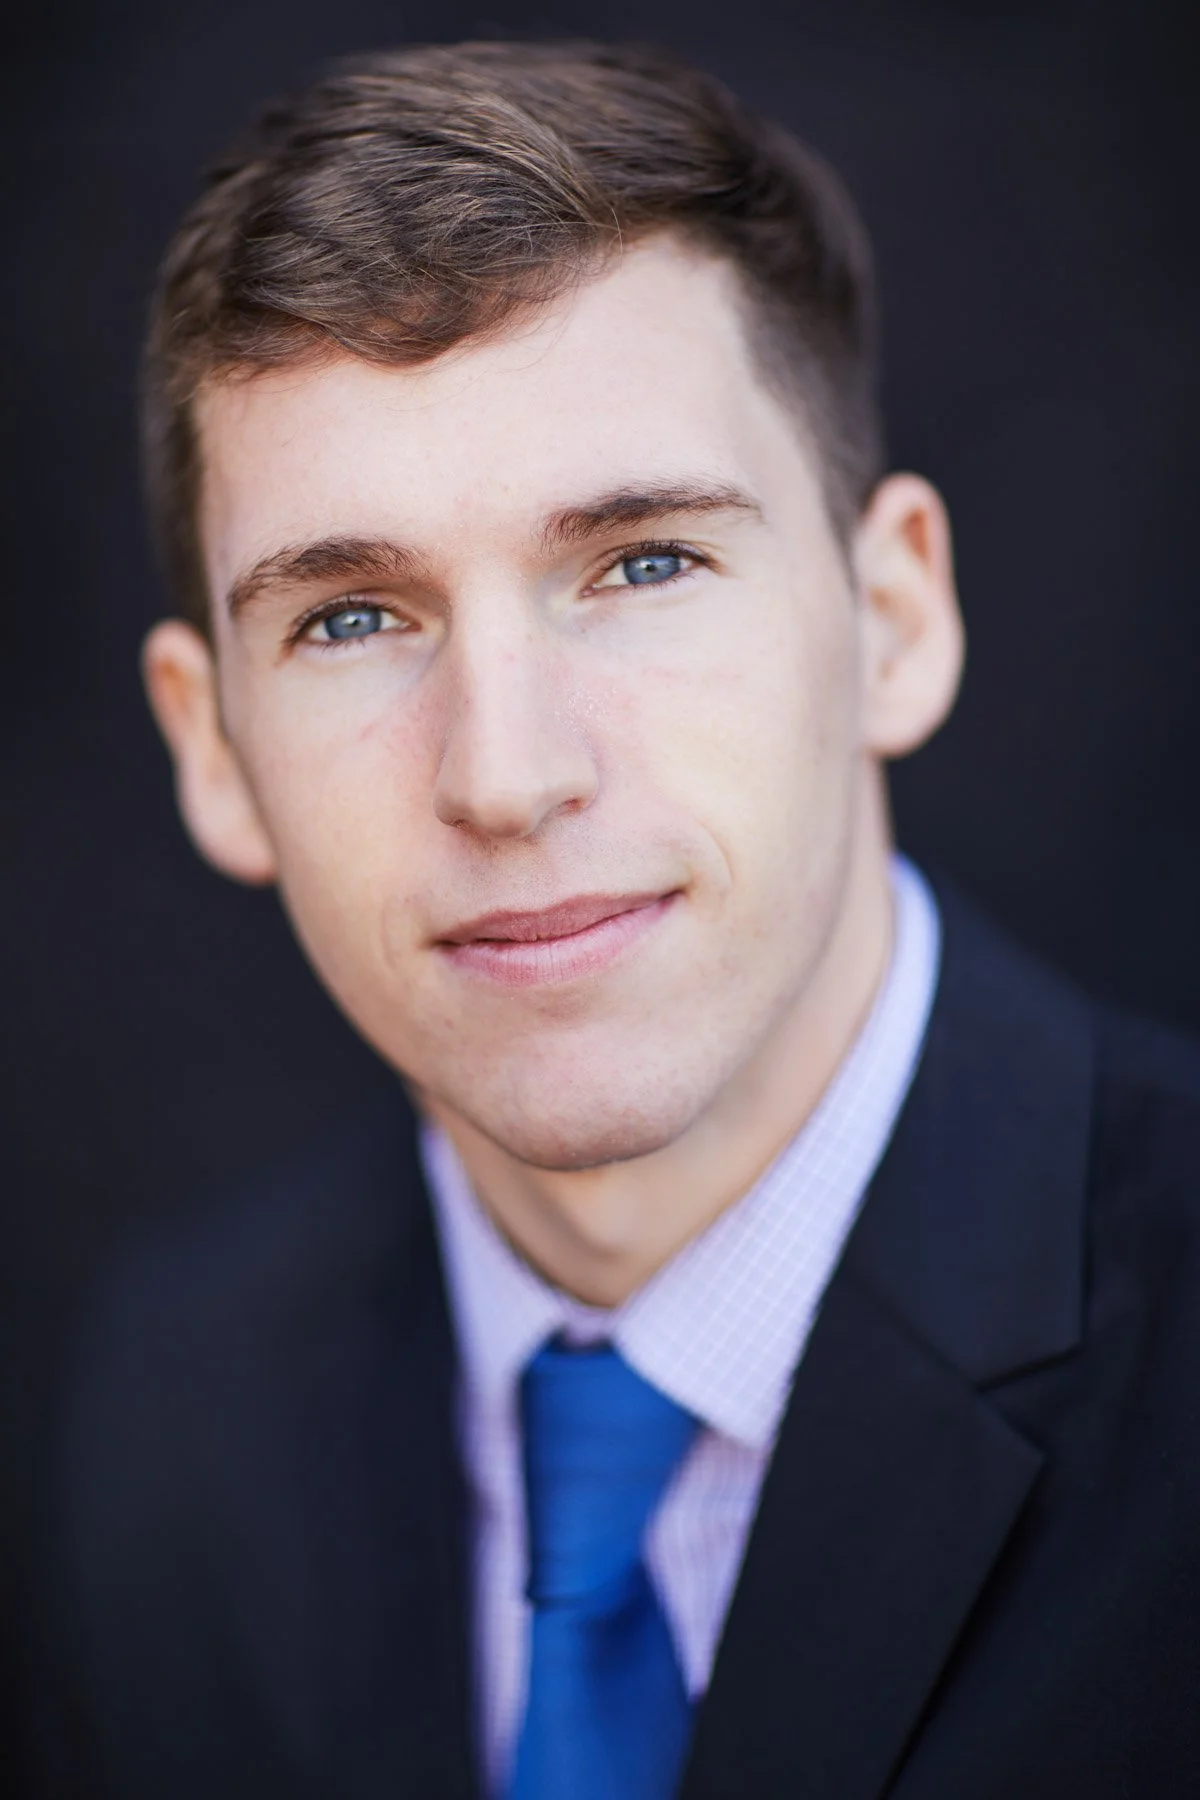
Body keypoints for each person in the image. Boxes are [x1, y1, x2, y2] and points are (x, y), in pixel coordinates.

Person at [29, 38, 1200, 1800]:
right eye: (351, 617)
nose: (506, 775)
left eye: (644, 565)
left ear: (894, 619)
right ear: (212, 749)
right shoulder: (169, 1414)